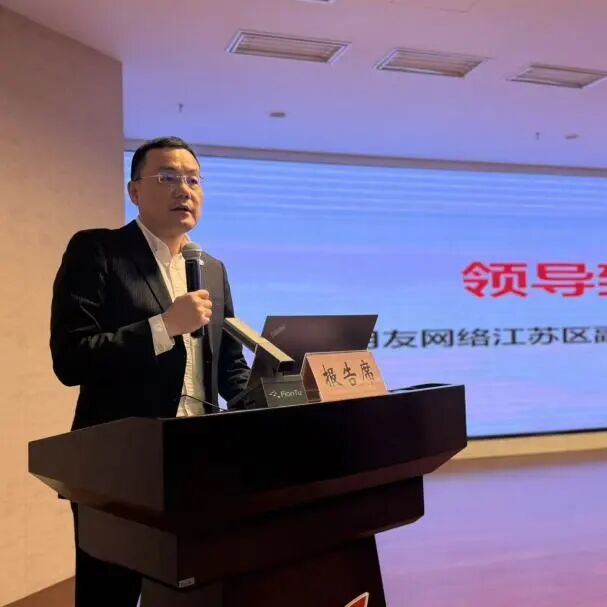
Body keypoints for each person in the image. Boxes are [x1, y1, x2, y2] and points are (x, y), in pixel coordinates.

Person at [50, 136, 250, 606]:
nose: (184, 189)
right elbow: (72, 358)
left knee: (197, 590)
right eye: (168, 177)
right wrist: (164, 327)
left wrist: (276, 401)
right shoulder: (98, 251)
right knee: (111, 594)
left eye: (193, 179)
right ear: (135, 191)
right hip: (119, 464)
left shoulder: (212, 268)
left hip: (200, 460)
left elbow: (229, 367)